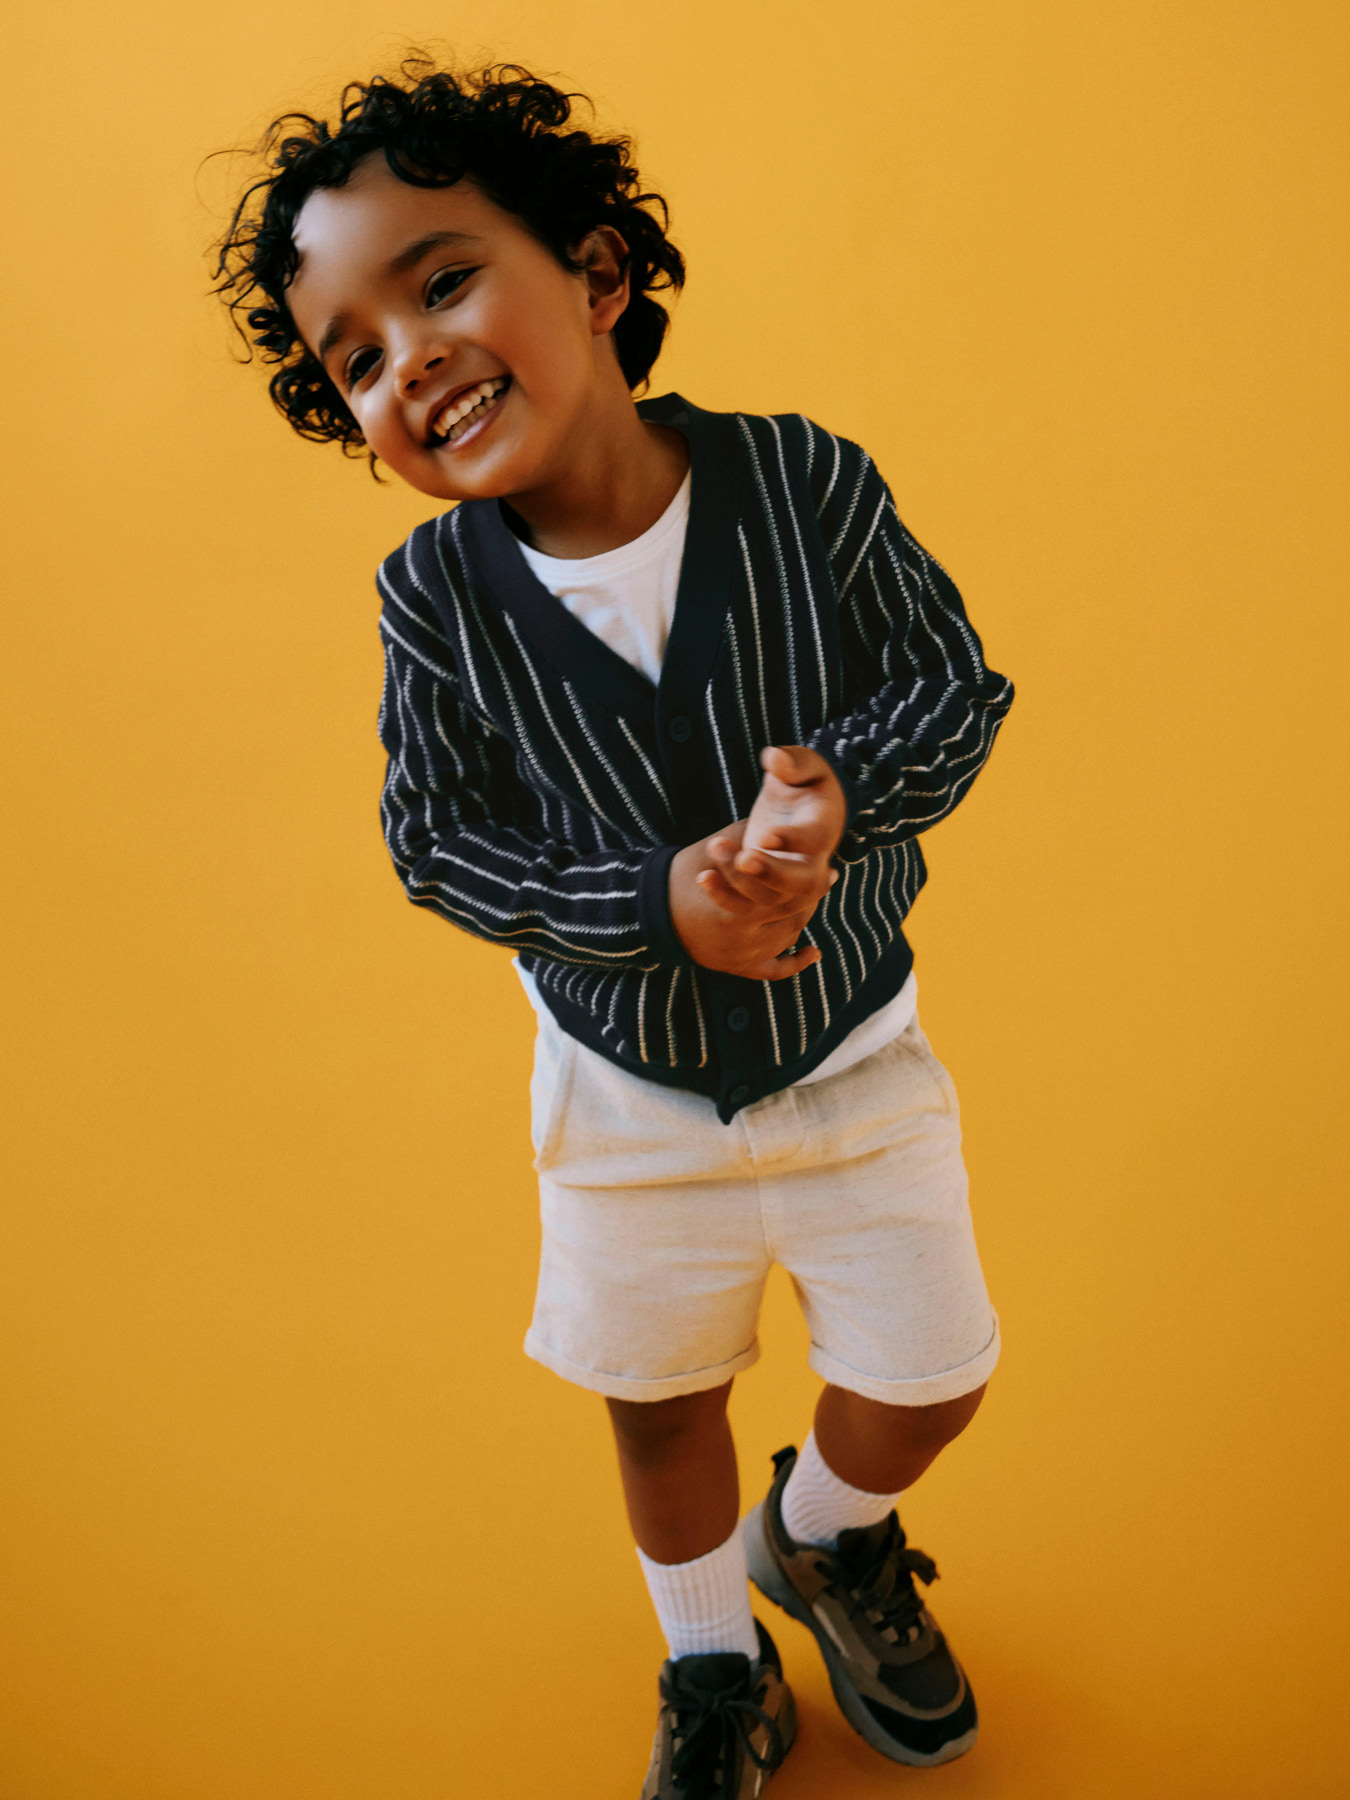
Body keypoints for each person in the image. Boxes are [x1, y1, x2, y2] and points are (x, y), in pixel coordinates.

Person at [215, 58, 1015, 1798]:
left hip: (851, 1051)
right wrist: (650, 906)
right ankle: (712, 1664)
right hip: (622, 1097)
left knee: (930, 1383)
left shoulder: (802, 481)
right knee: (658, 1408)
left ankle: (825, 1532)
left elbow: (952, 685)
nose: (411, 359)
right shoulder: (432, 601)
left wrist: (839, 792)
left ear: (594, 272)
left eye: (441, 282)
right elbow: (439, 841)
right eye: (355, 357)